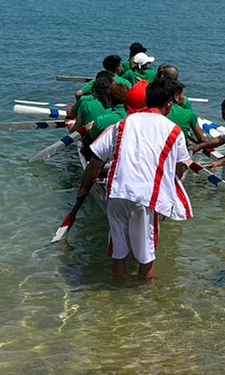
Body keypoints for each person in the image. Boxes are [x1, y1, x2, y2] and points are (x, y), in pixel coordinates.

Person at [78, 78, 194, 281]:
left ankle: (118, 295)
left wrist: (83, 192)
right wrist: (168, 200)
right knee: (146, 257)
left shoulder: (122, 124)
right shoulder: (174, 131)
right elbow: (180, 166)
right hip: (145, 199)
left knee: (118, 254)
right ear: (168, 105)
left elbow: (95, 162)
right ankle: (144, 303)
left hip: (116, 194)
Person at [154, 65, 208, 147]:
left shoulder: (153, 109)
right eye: (183, 94)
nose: (185, 97)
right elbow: (201, 138)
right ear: (177, 97)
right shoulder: (188, 113)